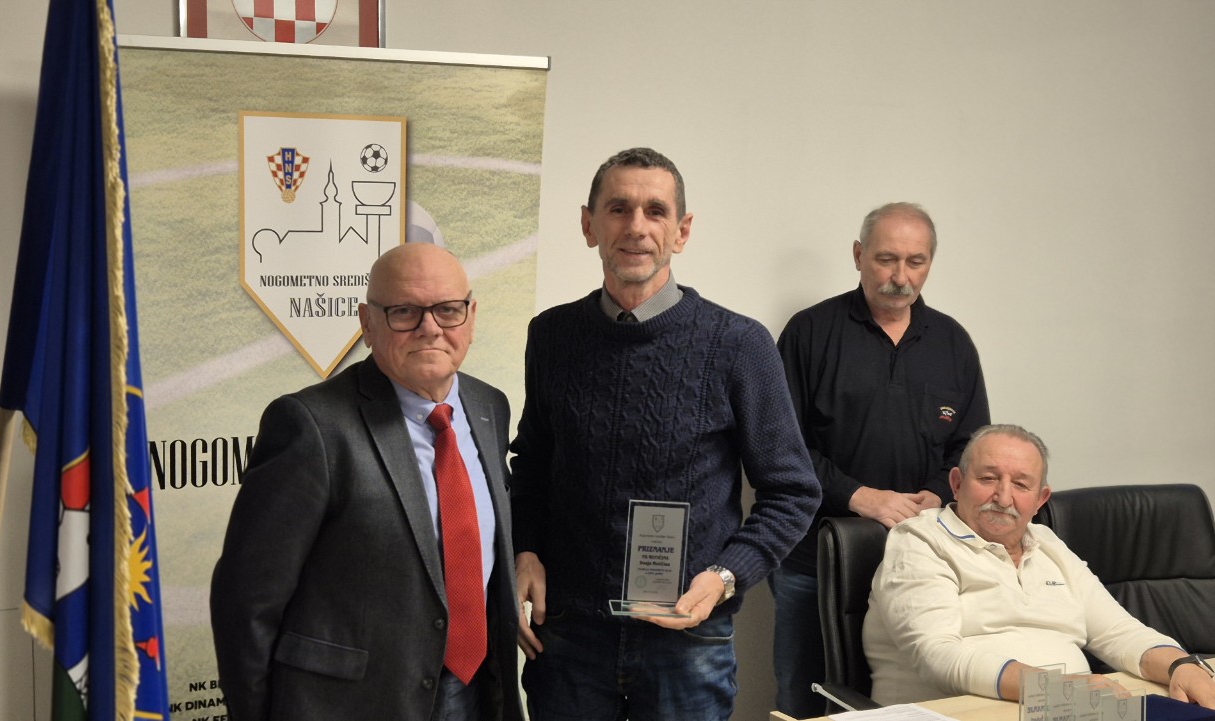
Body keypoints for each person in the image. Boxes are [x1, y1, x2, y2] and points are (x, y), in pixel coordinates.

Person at [508, 147, 822, 721]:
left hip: (688, 639)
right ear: (588, 225)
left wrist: (725, 577)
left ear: (682, 230)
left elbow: (793, 491)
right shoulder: (552, 336)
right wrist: (524, 550)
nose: (636, 227)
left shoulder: (739, 345)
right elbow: (531, 466)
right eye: (618, 209)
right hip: (571, 636)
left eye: (655, 211)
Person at [210, 243, 523, 721]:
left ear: (471, 317)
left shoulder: (489, 407)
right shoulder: (310, 426)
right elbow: (246, 601)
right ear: (367, 323)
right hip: (352, 704)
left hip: (474, 693)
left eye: (448, 309)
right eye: (404, 312)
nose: (430, 328)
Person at [769, 201, 990, 716]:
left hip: (923, 560)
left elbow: (971, 447)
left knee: (906, 701)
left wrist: (937, 492)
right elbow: (780, 448)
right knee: (804, 697)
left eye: (916, 262)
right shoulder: (808, 333)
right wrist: (859, 496)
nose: (900, 276)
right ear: (858, 255)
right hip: (813, 559)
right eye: (887, 259)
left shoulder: (953, 343)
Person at [864, 424, 1215, 709]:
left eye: (1020, 484)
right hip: (954, 712)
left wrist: (1181, 666)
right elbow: (937, 655)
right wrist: (1053, 688)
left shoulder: (1047, 544)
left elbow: (1117, 631)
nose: (1003, 497)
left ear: (1040, 499)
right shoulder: (919, 541)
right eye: (988, 479)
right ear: (956, 484)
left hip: (1068, 709)